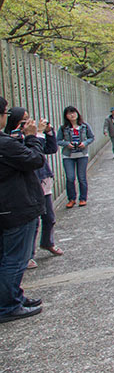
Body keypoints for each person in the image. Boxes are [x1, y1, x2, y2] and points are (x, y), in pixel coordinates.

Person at [0, 96, 46, 323]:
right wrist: (32, 137)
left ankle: (13, 297)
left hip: (6, 207)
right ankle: (8, 305)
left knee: (7, 257)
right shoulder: (5, 143)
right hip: (16, 206)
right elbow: (35, 160)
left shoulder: (6, 142)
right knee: (15, 259)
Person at [4, 109, 62, 269]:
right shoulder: (12, 139)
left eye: (29, 119)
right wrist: (34, 136)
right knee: (33, 222)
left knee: (49, 217)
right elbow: (32, 157)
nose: (28, 122)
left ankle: (47, 243)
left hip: (43, 181)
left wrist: (48, 133)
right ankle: (29, 255)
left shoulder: (31, 135)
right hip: (28, 186)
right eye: (23, 120)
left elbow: (50, 149)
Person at [57, 105, 94, 208]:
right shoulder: (63, 128)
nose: (72, 115)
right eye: (69, 113)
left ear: (77, 114)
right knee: (70, 177)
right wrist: (67, 144)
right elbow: (58, 140)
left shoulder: (84, 126)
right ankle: (71, 199)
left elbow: (91, 137)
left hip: (82, 154)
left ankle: (83, 198)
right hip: (68, 155)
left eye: (73, 112)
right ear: (66, 116)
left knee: (81, 177)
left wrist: (85, 143)